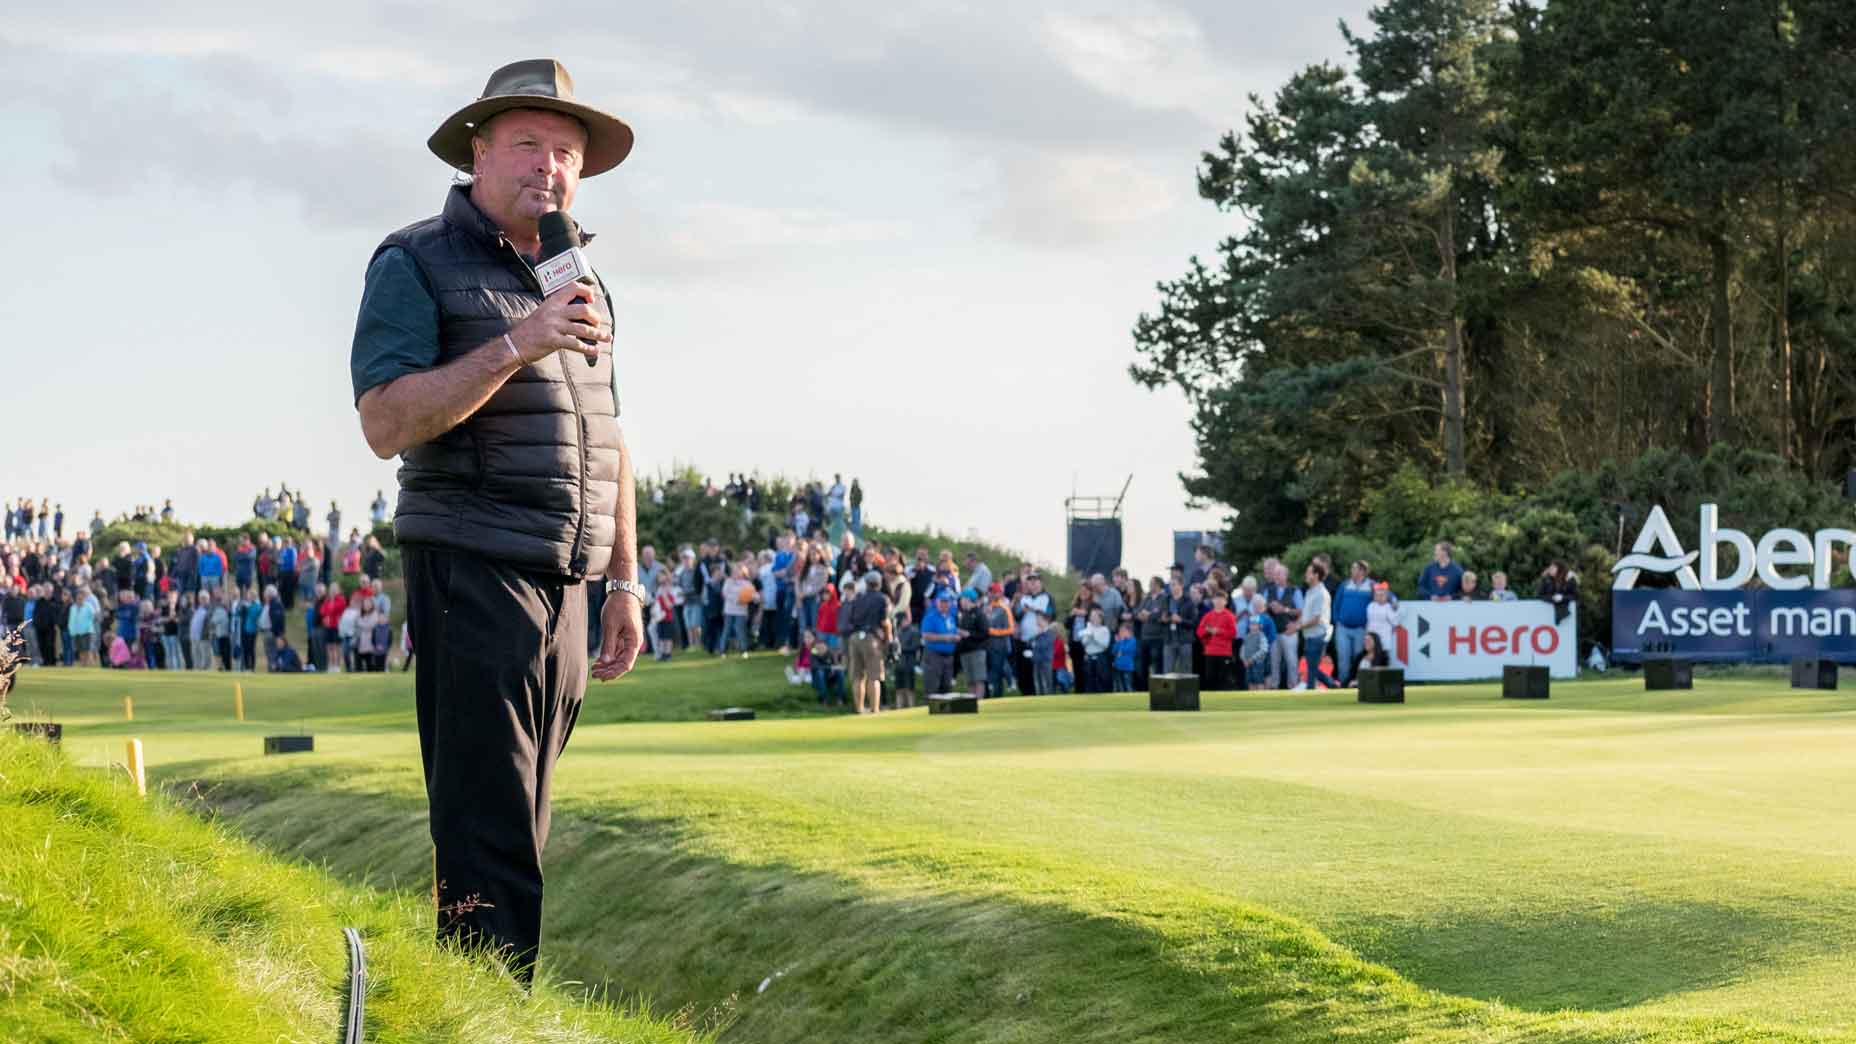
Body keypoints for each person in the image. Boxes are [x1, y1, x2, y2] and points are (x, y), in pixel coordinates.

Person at [348, 58, 643, 980]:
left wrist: (624, 580)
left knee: (525, 815)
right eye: (526, 143)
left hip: (568, 583)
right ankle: (483, 1007)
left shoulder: (581, 281)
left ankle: (484, 1000)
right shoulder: (414, 260)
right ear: (478, 150)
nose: (548, 166)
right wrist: (517, 343)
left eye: (566, 152)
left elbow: (612, 434)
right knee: (487, 817)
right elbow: (385, 422)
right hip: (470, 563)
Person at [842, 572, 891, 715]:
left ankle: (859, 709)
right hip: (871, 638)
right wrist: (888, 639)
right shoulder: (882, 599)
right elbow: (885, 622)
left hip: (855, 637)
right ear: (879, 583)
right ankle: (874, 709)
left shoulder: (858, 598)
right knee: (874, 676)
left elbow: (851, 619)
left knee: (857, 676)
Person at [1296, 562, 1340, 691]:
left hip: (1318, 635)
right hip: (1309, 635)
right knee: (1312, 667)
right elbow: (1306, 614)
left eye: (1309, 572)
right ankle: (1332, 685)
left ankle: (1313, 689)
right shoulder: (1311, 591)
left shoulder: (1321, 593)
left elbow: (1316, 619)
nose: (1306, 575)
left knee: (1312, 668)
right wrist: (1299, 624)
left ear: (1316, 575)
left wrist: (1298, 627)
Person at [1333, 561, 1374, 687]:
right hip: (1343, 628)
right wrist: (1337, 621)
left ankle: (1357, 685)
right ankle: (1343, 685)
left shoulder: (1371, 585)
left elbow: (1386, 593)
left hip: (1360, 629)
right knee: (1343, 659)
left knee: (1358, 658)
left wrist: (1393, 600)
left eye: (1354, 568)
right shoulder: (1345, 585)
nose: (1352, 571)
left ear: (1362, 571)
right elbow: (1336, 604)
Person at [1195, 592, 1238, 690]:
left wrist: (1218, 631)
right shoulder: (1208, 616)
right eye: (1216, 599)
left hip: (1224, 652)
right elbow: (1199, 632)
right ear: (1212, 601)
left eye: (1221, 599)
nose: (1218, 601)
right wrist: (1207, 630)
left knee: (1224, 679)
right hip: (1210, 652)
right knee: (1210, 678)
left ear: (1225, 602)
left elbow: (1233, 633)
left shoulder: (1229, 616)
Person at [921, 591, 959, 695]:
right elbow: (926, 635)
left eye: (946, 602)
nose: (944, 604)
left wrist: (959, 633)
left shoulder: (950, 617)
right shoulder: (931, 617)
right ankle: (930, 709)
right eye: (942, 602)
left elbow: (952, 630)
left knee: (946, 686)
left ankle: (945, 710)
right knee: (932, 685)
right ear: (937, 603)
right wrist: (946, 638)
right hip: (934, 655)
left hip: (948, 656)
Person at [956, 588, 988, 698]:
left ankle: (980, 703)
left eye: (962, 599)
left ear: (968, 599)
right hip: (965, 652)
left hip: (977, 651)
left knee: (978, 679)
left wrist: (969, 634)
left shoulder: (979, 614)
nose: (960, 601)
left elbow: (985, 633)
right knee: (970, 680)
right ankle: (972, 703)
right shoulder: (965, 614)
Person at [984, 583, 1015, 698]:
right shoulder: (986, 607)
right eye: (991, 591)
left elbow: (1011, 629)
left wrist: (992, 631)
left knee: (997, 675)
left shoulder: (1004, 608)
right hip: (987, 646)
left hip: (1000, 646)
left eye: (995, 592)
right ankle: (986, 697)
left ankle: (997, 699)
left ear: (1000, 593)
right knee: (986, 674)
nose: (992, 594)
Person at [1079, 607, 1111, 693]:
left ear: (1100, 618)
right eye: (1091, 616)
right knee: (1089, 677)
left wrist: (1094, 636)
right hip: (1089, 657)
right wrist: (1088, 635)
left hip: (1100, 657)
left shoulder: (1104, 630)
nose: (1093, 618)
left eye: (1095, 616)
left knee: (1101, 677)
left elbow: (1105, 645)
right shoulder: (1088, 629)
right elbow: (1084, 643)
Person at [893, 609, 920, 709]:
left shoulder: (914, 631)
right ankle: (899, 707)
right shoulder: (898, 632)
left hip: (909, 663)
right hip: (899, 664)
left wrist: (900, 649)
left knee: (910, 688)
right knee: (899, 688)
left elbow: (915, 647)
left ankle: (911, 707)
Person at [1367, 583, 1398, 659]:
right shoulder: (1370, 606)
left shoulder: (1388, 607)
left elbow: (1395, 622)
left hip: (1384, 638)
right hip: (1373, 637)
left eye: (1382, 595)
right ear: (1374, 596)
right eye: (1377, 595)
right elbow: (1369, 621)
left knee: (1383, 658)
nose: (1379, 597)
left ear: (1386, 597)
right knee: (1372, 657)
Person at [1239, 615, 1270, 689]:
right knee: (1250, 681)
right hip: (1247, 663)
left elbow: (1264, 649)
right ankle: (1251, 697)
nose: (1253, 626)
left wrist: (1252, 659)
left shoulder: (1261, 636)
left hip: (1258, 663)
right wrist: (1244, 659)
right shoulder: (1247, 636)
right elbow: (1243, 649)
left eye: (1255, 624)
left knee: (1259, 681)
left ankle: (1260, 697)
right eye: (1251, 624)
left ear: (1260, 626)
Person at [1110, 622, 1138, 692]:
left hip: (1127, 667)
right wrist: (1118, 642)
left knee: (1128, 684)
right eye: (1120, 631)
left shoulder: (1133, 640)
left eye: (1123, 631)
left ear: (1129, 631)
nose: (1120, 633)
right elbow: (1113, 651)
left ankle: (1130, 696)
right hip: (1118, 667)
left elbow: (1127, 650)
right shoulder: (1120, 641)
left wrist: (1121, 643)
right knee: (1120, 685)